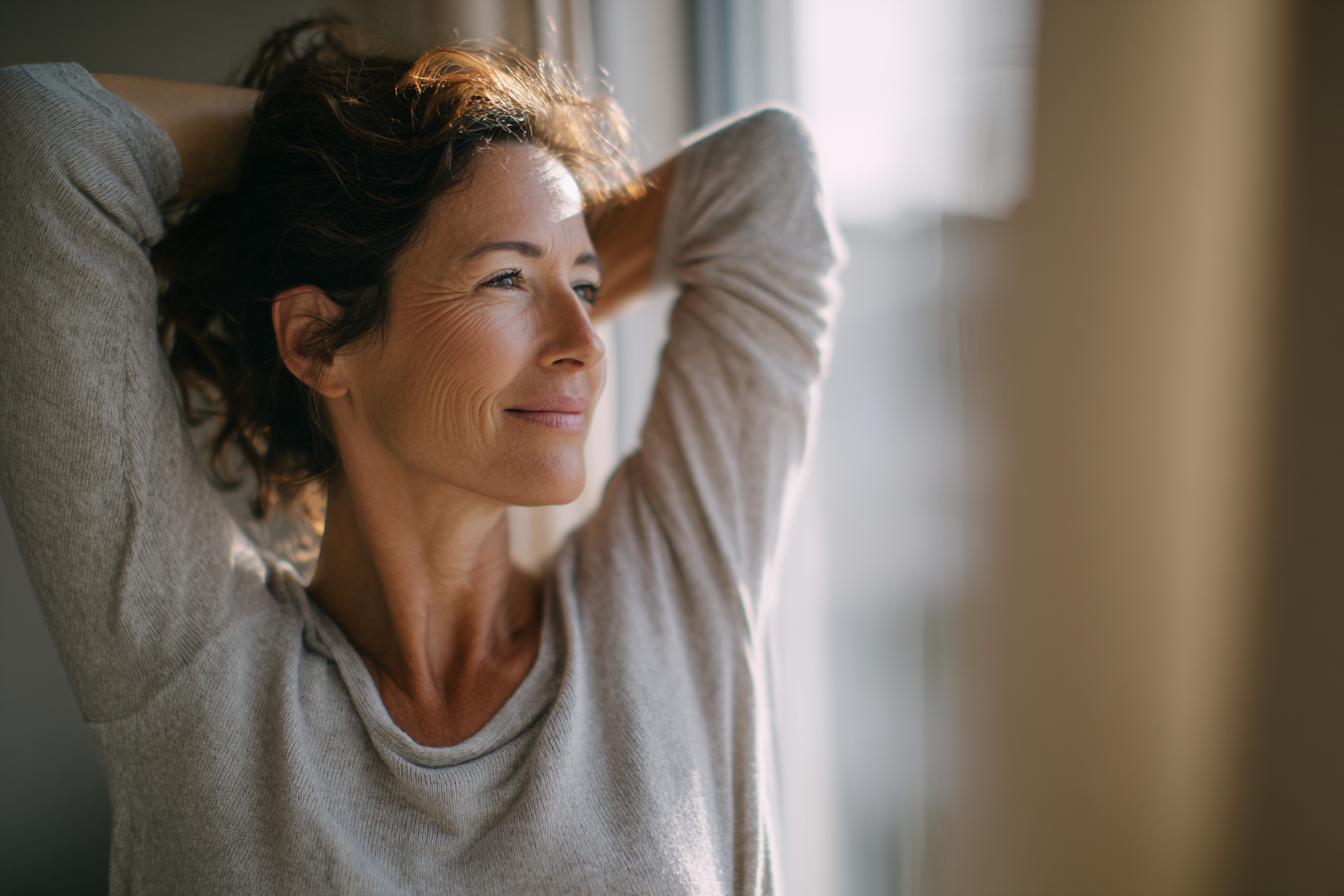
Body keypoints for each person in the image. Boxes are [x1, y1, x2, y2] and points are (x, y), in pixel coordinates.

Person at [0, 18, 840, 895]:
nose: (587, 344)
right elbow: (45, 136)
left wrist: (502, 226)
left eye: (585, 286)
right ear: (320, 339)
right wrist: (335, 147)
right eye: (506, 280)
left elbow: (766, 175)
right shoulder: (196, 675)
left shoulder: (667, 605)